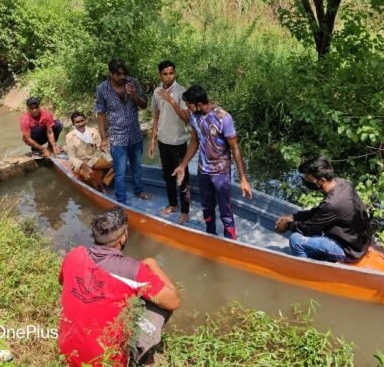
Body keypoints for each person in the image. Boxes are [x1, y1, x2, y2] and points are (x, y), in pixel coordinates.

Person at [58, 207, 180, 367]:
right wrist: (152, 262)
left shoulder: (74, 254)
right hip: (107, 361)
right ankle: (139, 352)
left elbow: (62, 282)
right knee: (160, 305)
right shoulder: (132, 269)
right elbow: (174, 301)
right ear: (123, 238)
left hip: (66, 351)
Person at [172, 85, 252, 240]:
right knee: (207, 207)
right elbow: (194, 142)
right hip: (204, 171)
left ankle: (230, 241)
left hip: (221, 172)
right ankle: (211, 236)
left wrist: (243, 178)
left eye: (189, 104)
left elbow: (235, 148)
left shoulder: (223, 117)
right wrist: (182, 165)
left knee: (225, 211)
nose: (187, 108)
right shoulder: (194, 117)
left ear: (199, 105)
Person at [274, 156, 371, 262]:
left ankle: (305, 269)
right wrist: (294, 216)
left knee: (296, 240)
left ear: (321, 181)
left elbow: (307, 228)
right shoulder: (342, 183)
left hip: (350, 250)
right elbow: (319, 211)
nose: (306, 181)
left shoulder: (332, 204)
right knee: (311, 229)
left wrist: (288, 225)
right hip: (360, 241)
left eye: (309, 179)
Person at [95, 59, 150, 203]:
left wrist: (134, 95)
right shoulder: (102, 89)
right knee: (120, 172)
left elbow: (144, 105)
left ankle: (139, 191)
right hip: (118, 137)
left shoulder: (133, 83)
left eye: (124, 74)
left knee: (137, 167)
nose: (122, 77)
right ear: (110, 74)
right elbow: (100, 114)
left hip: (135, 135)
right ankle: (121, 199)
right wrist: (103, 138)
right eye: (118, 75)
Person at [148, 60, 191, 224]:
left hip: (178, 142)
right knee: (167, 176)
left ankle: (185, 211)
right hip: (163, 141)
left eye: (171, 73)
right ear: (160, 75)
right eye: (165, 74)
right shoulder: (157, 91)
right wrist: (152, 140)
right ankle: (173, 204)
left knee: (182, 178)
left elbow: (186, 117)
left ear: (175, 73)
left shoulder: (182, 92)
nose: (168, 77)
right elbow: (156, 116)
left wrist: (171, 100)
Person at [65, 111, 114, 191]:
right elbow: (71, 157)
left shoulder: (93, 131)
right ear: (73, 124)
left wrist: (108, 158)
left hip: (93, 159)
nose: (80, 124)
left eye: (82, 121)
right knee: (89, 175)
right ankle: (98, 189)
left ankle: (105, 182)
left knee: (117, 163)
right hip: (80, 162)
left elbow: (100, 148)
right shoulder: (70, 136)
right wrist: (83, 165)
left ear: (85, 120)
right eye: (77, 122)